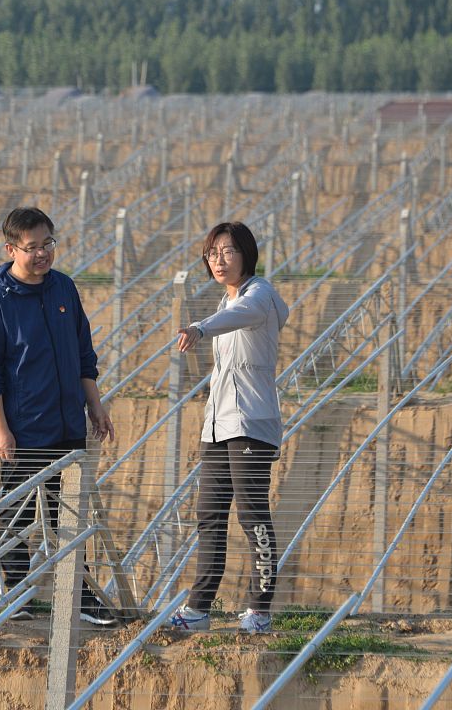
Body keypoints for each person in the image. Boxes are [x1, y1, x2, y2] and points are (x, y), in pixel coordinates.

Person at [0, 207, 118, 627]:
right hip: (23, 429)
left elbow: (83, 355)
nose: (42, 254)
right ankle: (16, 595)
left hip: (67, 424)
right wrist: (0, 428)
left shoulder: (64, 290)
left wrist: (95, 405)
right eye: (32, 247)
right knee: (16, 512)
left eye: (47, 244)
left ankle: (79, 597)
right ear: (11, 249)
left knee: (70, 513)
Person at [169, 221, 290, 634]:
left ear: (246, 254)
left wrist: (200, 327)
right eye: (212, 254)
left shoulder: (260, 295)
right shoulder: (226, 301)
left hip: (252, 421)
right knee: (209, 514)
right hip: (218, 424)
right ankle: (199, 607)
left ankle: (259, 609)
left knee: (252, 513)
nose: (219, 260)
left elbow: (246, 314)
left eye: (228, 251)